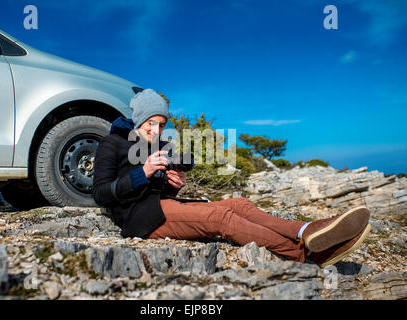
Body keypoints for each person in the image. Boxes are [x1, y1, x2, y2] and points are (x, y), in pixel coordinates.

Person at [93, 89, 371, 268]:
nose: (156, 129)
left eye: (162, 124)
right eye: (151, 122)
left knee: (238, 204)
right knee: (219, 219)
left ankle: (306, 230)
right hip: (140, 219)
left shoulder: (159, 145)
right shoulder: (112, 144)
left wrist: (170, 183)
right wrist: (143, 173)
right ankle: (305, 255)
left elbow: (173, 175)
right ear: (138, 119)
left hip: (161, 208)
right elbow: (102, 194)